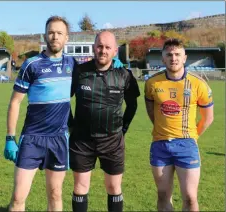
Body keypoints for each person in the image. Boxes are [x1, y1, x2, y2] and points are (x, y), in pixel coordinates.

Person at [4, 16, 123, 211]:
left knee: (56, 194)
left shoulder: (73, 66)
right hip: (33, 138)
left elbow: (97, 67)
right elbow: (15, 102)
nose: (55, 36)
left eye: (59, 33)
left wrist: (113, 64)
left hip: (59, 139)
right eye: (51, 32)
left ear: (66, 38)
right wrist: (10, 137)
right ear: (45, 36)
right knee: (18, 198)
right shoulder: (31, 65)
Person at [69, 31, 140, 212]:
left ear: (115, 51)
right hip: (82, 141)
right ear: (94, 47)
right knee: (80, 188)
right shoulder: (79, 72)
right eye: (100, 46)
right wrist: (70, 124)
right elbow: (63, 100)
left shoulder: (124, 75)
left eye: (108, 47)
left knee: (114, 188)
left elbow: (132, 105)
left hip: (113, 141)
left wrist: (123, 128)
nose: (103, 50)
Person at [144, 38, 214, 211]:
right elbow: (151, 112)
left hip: (187, 145)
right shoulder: (152, 83)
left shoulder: (198, 84)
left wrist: (192, 136)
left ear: (184, 58)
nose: (173, 58)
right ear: (163, 59)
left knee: (190, 198)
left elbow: (208, 118)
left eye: (177, 54)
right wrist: (162, 130)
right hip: (160, 144)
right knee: (162, 195)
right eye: (169, 54)